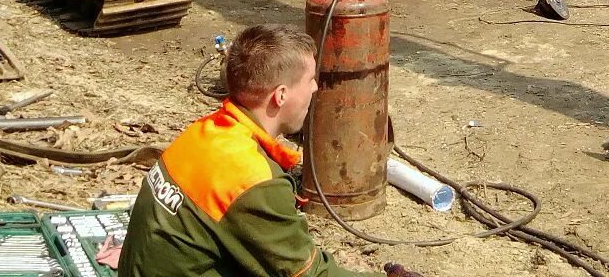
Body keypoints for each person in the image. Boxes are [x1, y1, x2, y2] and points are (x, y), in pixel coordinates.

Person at [120, 25, 417, 277]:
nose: (315, 89)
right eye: (310, 80)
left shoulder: (204, 133)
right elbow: (309, 274)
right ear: (281, 95)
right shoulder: (252, 181)